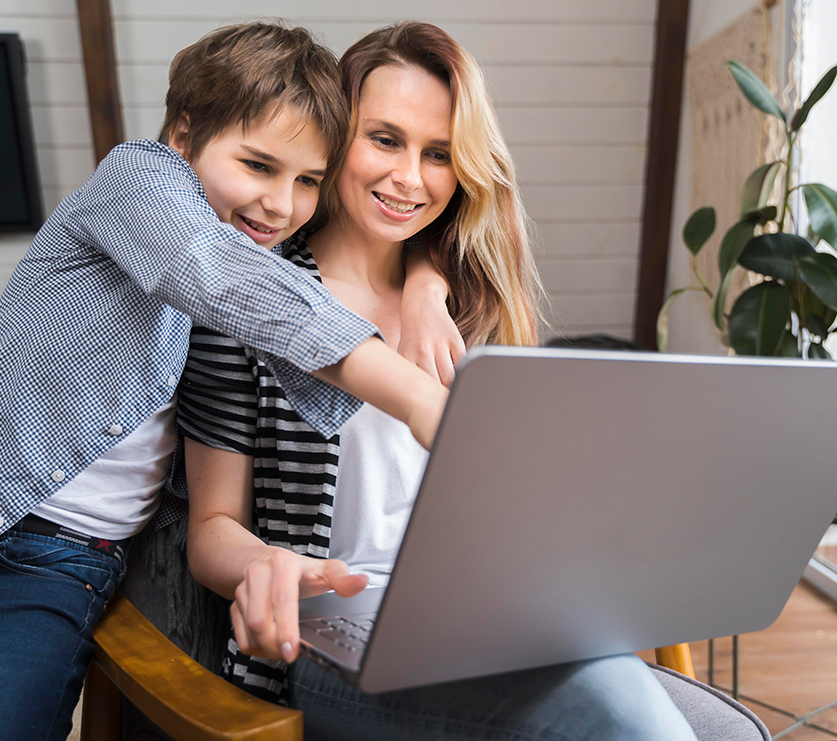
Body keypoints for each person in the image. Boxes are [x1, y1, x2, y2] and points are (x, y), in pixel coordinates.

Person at [150, 21, 699, 740]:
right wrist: (265, 565)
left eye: (438, 153)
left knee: (606, 692)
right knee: (611, 710)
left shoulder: (473, 308)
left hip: (491, 617)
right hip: (331, 638)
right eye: (385, 138)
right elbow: (213, 529)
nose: (409, 178)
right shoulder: (250, 300)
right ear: (334, 134)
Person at [0, 22, 455, 741]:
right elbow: (214, 273)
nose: (279, 203)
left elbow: (313, 276)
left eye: (307, 181)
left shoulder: (271, 272)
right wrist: (421, 399)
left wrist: (426, 279)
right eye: (258, 165)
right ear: (182, 135)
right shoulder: (138, 179)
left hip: (53, 574)